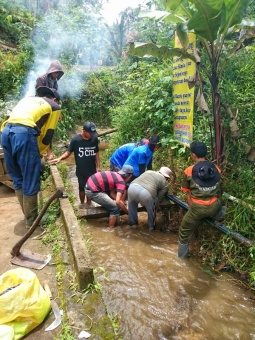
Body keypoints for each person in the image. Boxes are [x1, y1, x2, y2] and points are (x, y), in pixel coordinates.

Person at [0, 86, 61, 227]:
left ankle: (28, 216)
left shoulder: (28, 100)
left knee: (17, 177)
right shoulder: (55, 106)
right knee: (30, 177)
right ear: (55, 99)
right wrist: (40, 151)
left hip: (5, 133)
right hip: (23, 134)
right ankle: (33, 220)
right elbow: (48, 135)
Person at [178, 141, 223, 258]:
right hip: (214, 206)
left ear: (193, 155)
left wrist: (191, 209)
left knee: (183, 232)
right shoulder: (216, 168)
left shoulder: (189, 171)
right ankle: (219, 214)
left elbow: (187, 193)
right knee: (219, 205)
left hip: (197, 209)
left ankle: (182, 259)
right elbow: (219, 190)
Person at [49, 122, 100, 209]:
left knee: (90, 188)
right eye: (90, 133)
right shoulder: (76, 140)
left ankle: (89, 204)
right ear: (84, 131)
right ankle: (82, 204)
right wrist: (59, 158)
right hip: (81, 170)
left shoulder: (94, 139)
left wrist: (98, 166)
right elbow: (68, 152)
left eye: (93, 133)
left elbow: (96, 153)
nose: (92, 135)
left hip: (92, 170)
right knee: (81, 188)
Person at [35, 60, 64, 160]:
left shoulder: (55, 82)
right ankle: (42, 151)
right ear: (51, 71)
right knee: (41, 130)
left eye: (58, 73)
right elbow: (40, 95)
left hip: (51, 106)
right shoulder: (41, 79)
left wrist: (57, 112)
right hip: (41, 106)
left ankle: (48, 152)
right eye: (56, 72)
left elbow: (55, 96)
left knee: (49, 129)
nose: (57, 75)